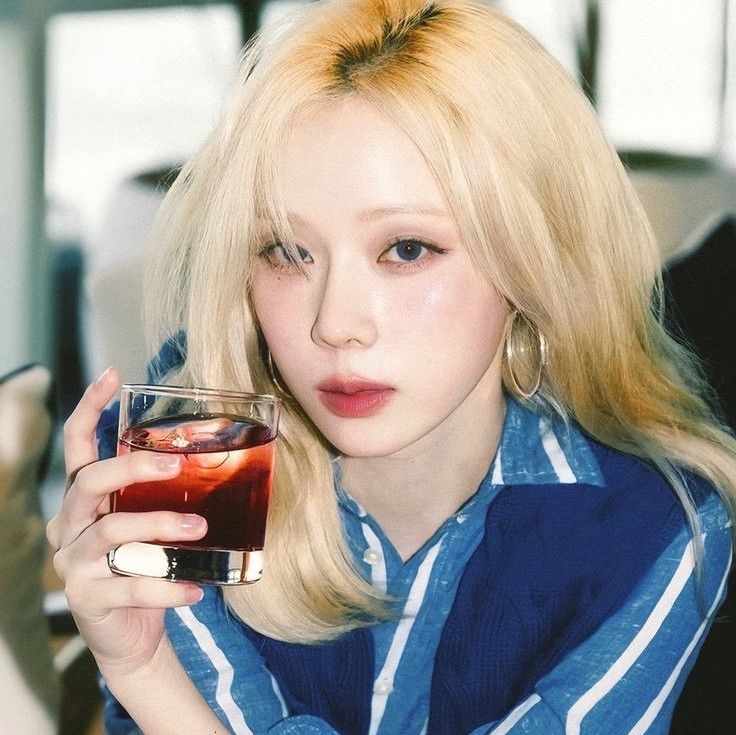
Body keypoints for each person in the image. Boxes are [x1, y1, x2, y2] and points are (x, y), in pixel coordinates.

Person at [47, 1, 736, 733]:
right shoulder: (184, 461)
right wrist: (141, 667)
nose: (335, 323)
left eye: (406, 249)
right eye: (287, 251)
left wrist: (153, 683)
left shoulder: (659, 522)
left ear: (531, 260)